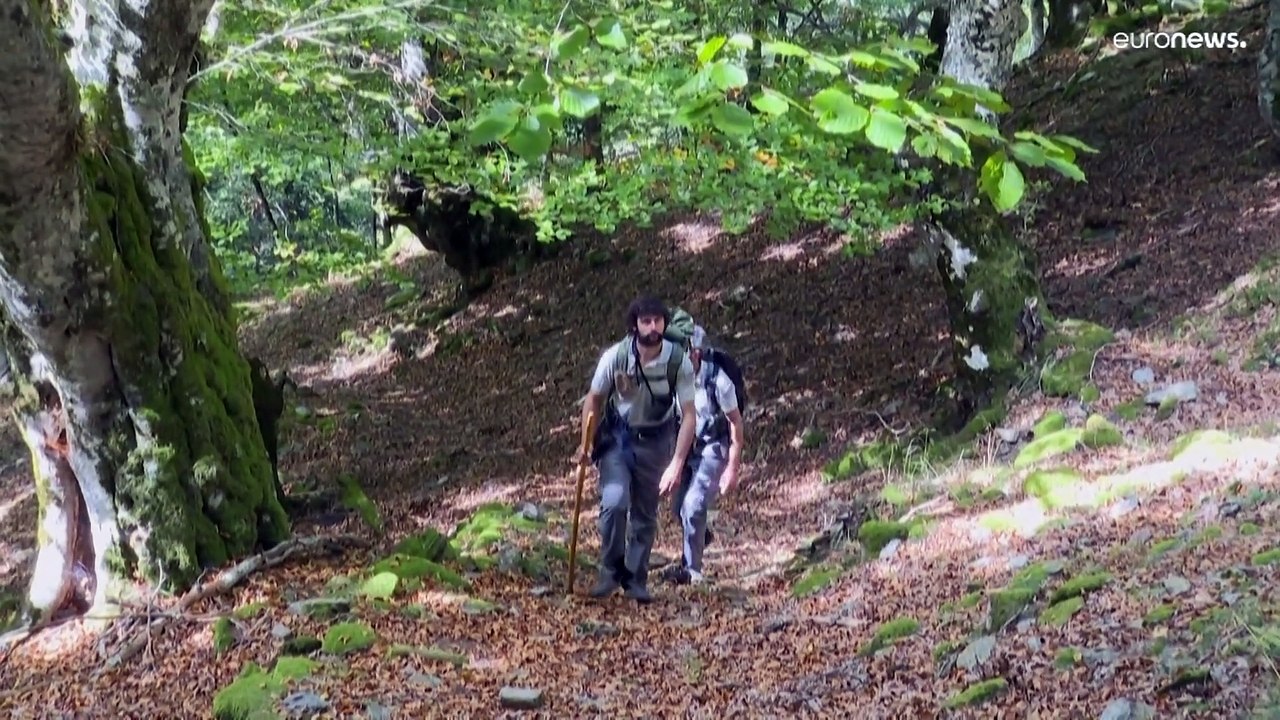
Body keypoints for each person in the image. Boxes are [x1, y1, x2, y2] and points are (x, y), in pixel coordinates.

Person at [577, 295, 697, 603]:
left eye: (658, 321)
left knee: (645, 513)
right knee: (614, 502)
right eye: (646, 321)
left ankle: (636, 579)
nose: (652, 327)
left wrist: (677, 463)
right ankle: (610, 571)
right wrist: (586, 443)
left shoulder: (677, 361)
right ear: (635, 325)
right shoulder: (616, 356)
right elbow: (594, 398)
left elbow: (689, 414)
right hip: (618, 439)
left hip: (657, 442)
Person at [662, 325, 744, 585]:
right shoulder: (673, 379)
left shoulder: (719, 381)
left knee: (693, 505)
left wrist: (732, 467)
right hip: (690, 447)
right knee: (679, 509)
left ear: (695, 353)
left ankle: (692, 572)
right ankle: (700, 537)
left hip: (715, 446)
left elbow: (736, 423)